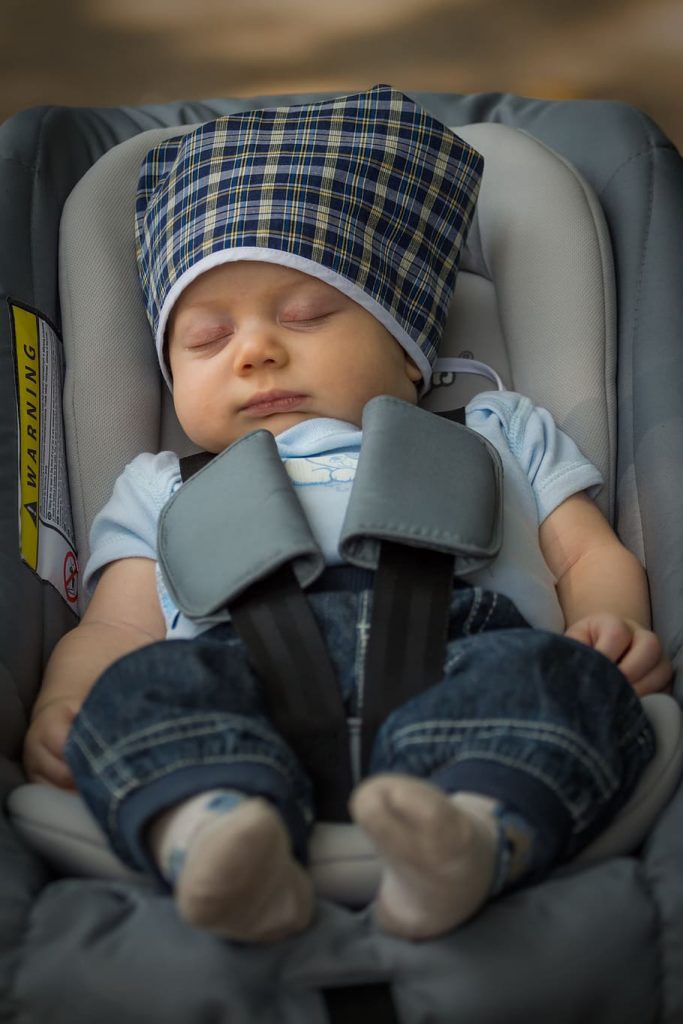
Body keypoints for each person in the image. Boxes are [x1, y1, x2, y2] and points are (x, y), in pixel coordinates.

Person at [23, 85, 672, 945]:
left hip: (470, 660)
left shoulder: (500, 430)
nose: (254, 349)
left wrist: (610, 621)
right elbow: (115, 629)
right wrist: (67, 701)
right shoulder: (159, 485)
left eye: (307, 314)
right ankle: (215, 834)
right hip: (237, 682)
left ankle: (471, 833)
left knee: (567, 684)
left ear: (411, 353)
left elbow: (586, 552)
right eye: (207, 340)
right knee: (142, 692)